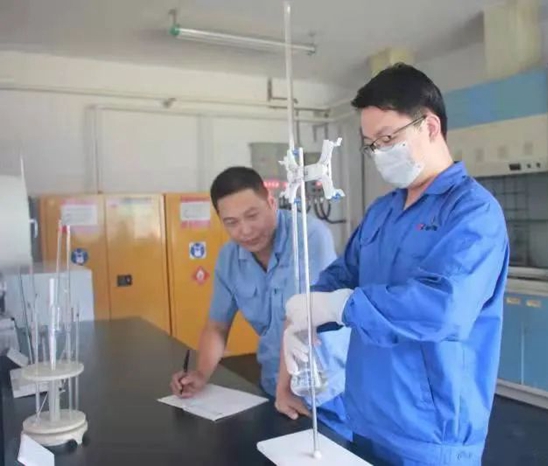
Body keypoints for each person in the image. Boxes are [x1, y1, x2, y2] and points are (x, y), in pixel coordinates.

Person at [284, 64, 509, 465]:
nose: (379, 153)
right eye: (371, 145)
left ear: (430, 126)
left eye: (387, 138)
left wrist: (340, 306)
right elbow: (344, 274)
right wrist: (305, 312)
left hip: (430, 434)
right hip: (366, 416)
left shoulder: (473, 212)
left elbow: (443, 309)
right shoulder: (382, 211)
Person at [170, 166, 351, 438]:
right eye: (231, 222)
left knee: (334, 450)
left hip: (325, 385)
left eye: (252, 215)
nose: (245, 230)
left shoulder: (309, 235)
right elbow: (217, 326)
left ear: (271, 202)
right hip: (273, 384)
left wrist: (285, 389)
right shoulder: (229, 258)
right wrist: (201, 374)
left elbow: (301, 318)